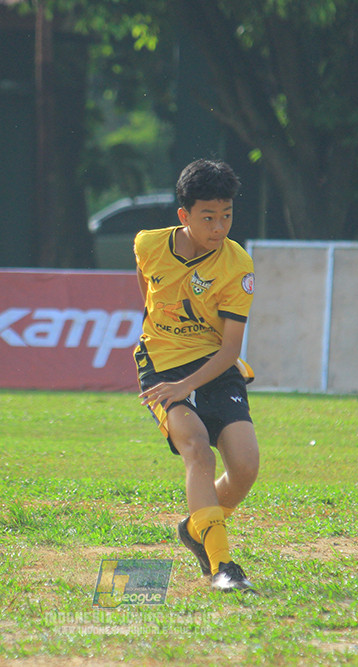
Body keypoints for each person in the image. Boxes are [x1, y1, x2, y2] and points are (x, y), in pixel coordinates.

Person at [133, 159, 259, 593]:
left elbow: (230, 349)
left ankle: (195, 527)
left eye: (227, 215)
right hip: (161, 368)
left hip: (215, 366)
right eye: (208, 217)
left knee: (244, 466)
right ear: (184, 216)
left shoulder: (237, 264)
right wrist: (166, 363)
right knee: (198, 452)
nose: (219, 226)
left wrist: (190, 384)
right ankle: (223, 565)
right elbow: (148, 297)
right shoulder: (148, 245)